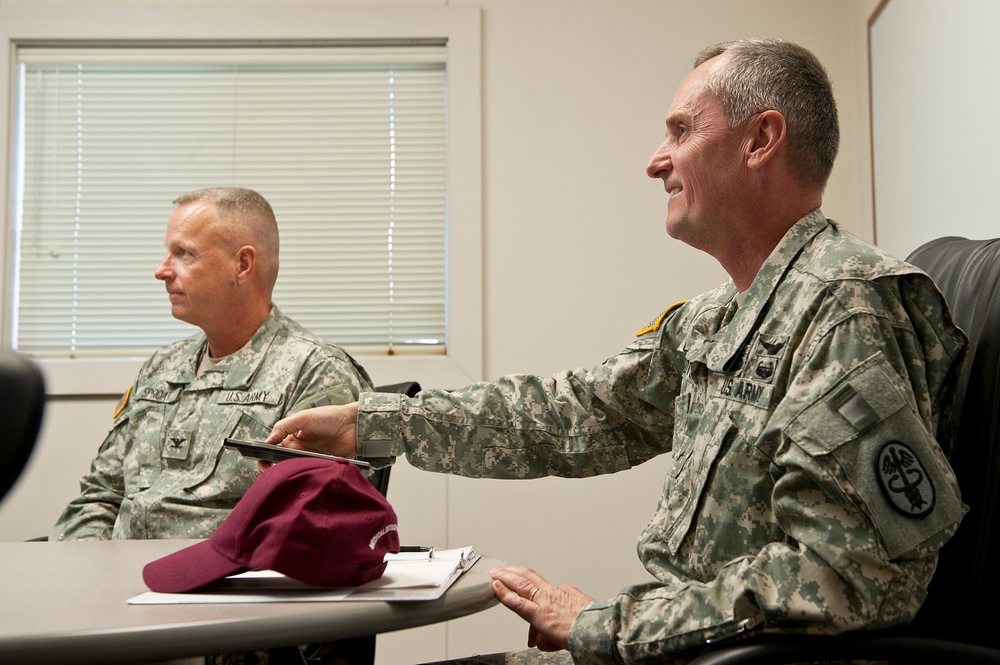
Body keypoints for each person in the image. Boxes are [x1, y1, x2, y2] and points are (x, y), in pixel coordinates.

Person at [263, 39, 968, 664]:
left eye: (682, 130)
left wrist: (606, 623)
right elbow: (568, 414)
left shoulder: (847, 307)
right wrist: (377, 423)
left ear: (761, 140)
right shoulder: (715, 321)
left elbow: (849, 577)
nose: (656, 160)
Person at [51, 187, 374, 541]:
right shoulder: (163, 366)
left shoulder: (315, 370)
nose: (161, 271)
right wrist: (81, 570)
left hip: (229, 587)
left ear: (242, 265)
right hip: (117, 581)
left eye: (183, 254)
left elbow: (313, 528)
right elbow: (99, 496)